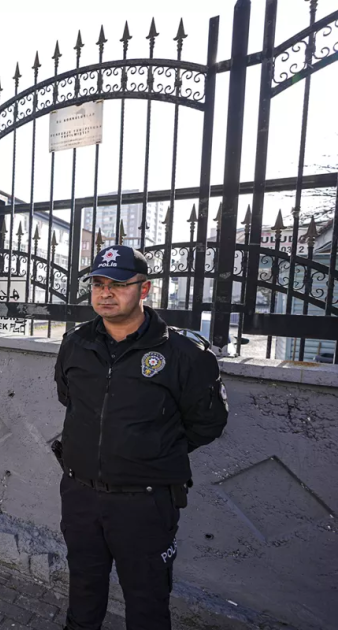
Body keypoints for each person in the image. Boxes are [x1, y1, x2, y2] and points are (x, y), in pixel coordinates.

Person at [53, 245, 229, 630]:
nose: (105, 293)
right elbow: (69, 398)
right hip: (81, 496)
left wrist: (149, 452)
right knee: (83, 590)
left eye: (118, 284)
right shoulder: (75, 344)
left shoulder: (184, 353)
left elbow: (207, 423)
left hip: (145, 504)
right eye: (98, 284)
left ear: (144, 289)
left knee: (147, 602)